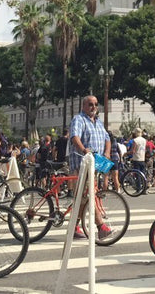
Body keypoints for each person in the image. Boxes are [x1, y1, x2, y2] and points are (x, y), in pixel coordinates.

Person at [67, 95, 112, 240]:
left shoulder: (98, 122)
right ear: (84, 106)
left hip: (97, 163)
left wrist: (107, 152)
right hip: (83, 162)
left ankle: (74, 226)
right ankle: (101, 227)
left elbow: (107, 139)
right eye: (90, 104)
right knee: (88, 194)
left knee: (83, 196)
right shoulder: (78, 119)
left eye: (96, 104)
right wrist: (84, 149)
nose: (93, 107)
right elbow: (75, 137)